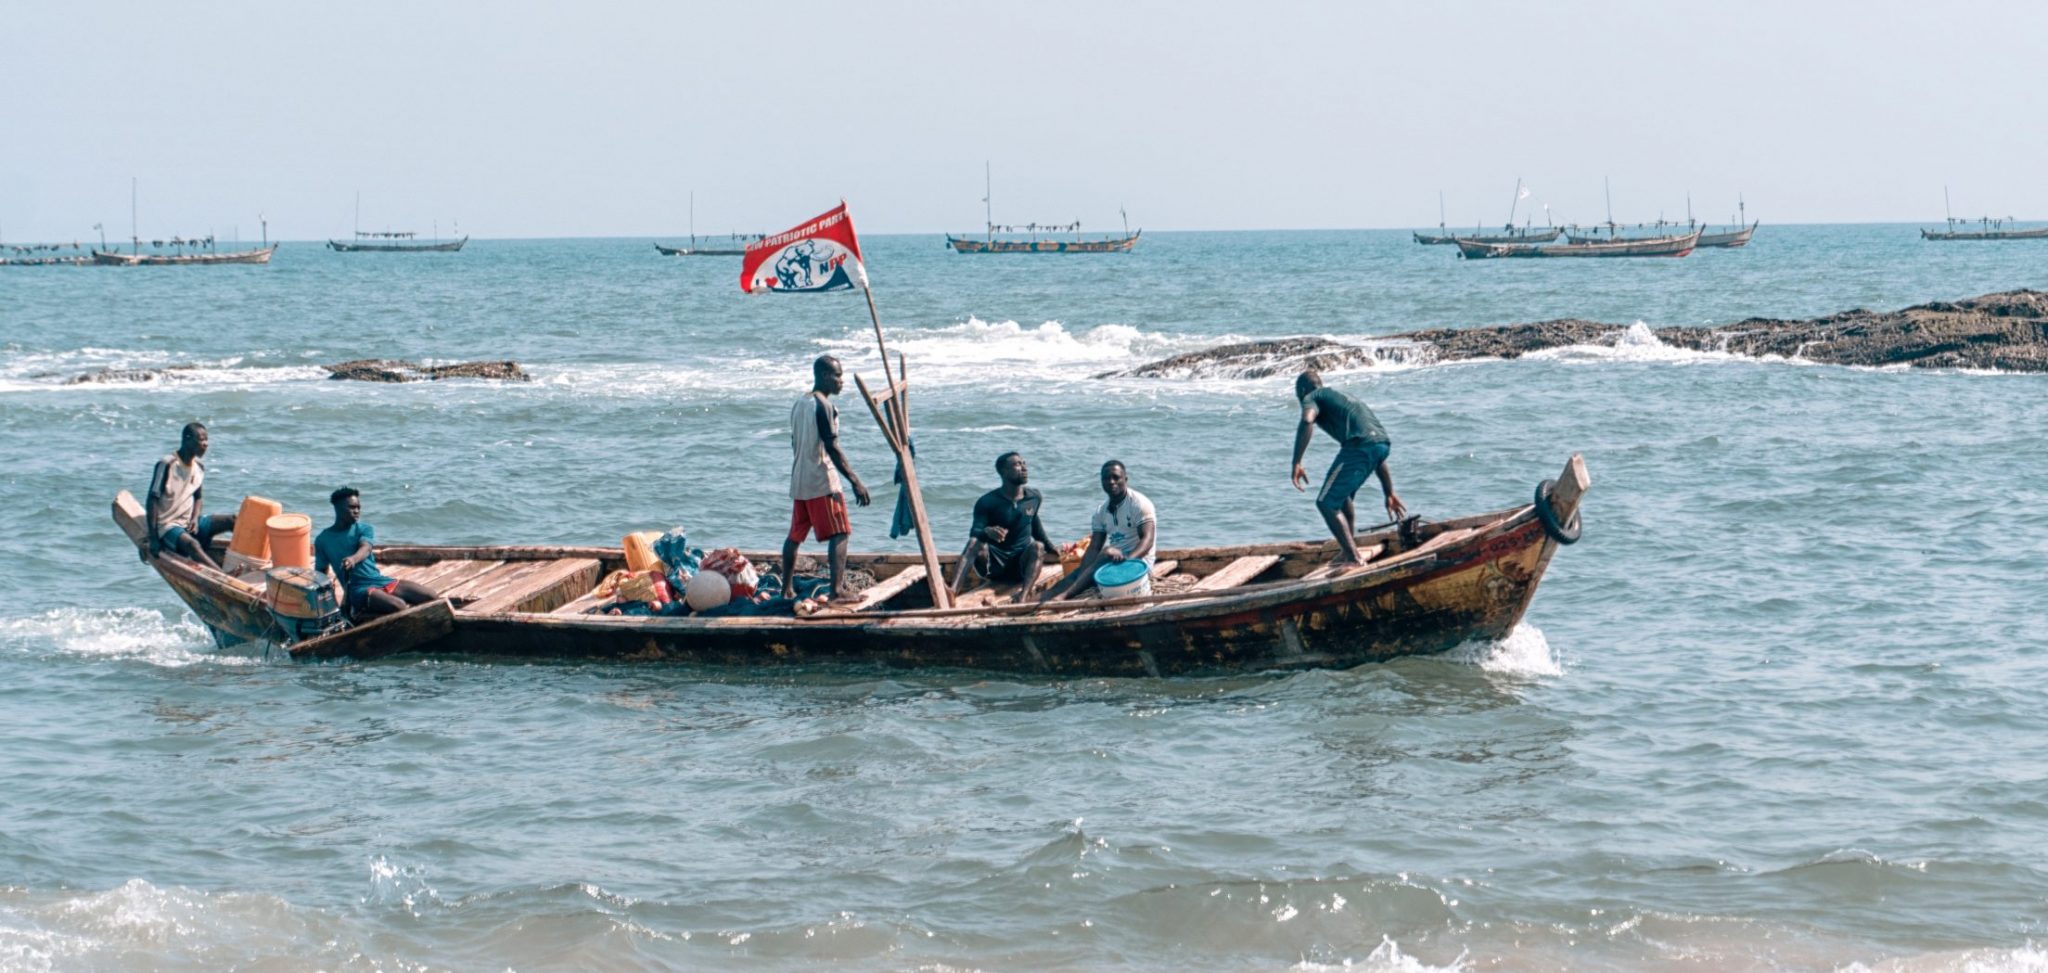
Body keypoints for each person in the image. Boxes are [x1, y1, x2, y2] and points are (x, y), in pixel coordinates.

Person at [1289, 369, 1406, 565]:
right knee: (1342, 498)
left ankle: (1353, 559)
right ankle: (1348, 551)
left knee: (1326, 503)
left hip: (1359, 446)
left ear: (1302, 391)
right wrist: (1389, 492)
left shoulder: (1312, 396)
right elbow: (1375, 450)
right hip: (1381, 444)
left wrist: (1297, 462)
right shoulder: (1341, 396)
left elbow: (1307, 420)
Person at [781, 355, 871, 603]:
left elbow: (794, 442)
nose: (841, 381)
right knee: (840, 532)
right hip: (822, 481)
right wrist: (855, 481)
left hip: (800, 480)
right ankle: (837, 591)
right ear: (823, 376)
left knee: (795, 535)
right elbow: (832, 447)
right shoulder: (823, 405)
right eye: (837, 376)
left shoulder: (800, 403)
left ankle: (786, 588)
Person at [1041, 459, 1157, 603]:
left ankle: (1065, 596)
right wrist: (1081, 573)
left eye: (1116, 477)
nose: (1111, 482)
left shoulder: (1139, 504)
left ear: (1125, 479)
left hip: (1137, 565)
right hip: (1113, 562)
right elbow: (1094, 547)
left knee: (1107, 552)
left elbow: (1147, 540)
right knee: (1070, 578)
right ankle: (1029, 603)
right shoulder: (1101, 512)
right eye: (1106, 478)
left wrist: (1128, 561)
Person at [315, 487, 438, 619]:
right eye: (352, 507)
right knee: (399, 606)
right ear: (337, 508)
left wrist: (352, 559)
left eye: (358, 507)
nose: (357, 511)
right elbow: (321, 574)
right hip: (358, 590)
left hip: (380, 581)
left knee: (432, 597)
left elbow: (366, 548)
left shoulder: (364, 528)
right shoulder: (323, 540)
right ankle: (358, 615)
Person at [952, 452, 1057, 603]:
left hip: (1020, 567)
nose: (1024, 468)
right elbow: (975, 533)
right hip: (993, 567)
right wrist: (987, 532)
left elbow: (1035, 526)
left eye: (1024, 463)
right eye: (1017, 464)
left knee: (1038, 546)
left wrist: (1053, 549)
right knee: (974, 543)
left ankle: (1024, 596)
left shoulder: (1034, 497)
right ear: (1003, 472)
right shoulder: (987, 502)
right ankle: (952, 591)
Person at [144, 421, 234, 571]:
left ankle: (243, 561)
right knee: (193, 545)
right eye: (201, 439)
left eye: (206, 440)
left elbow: (198, 498)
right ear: (187, 439)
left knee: (234, 520)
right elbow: (152, 500)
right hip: (168, 527)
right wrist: (154, 539)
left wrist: (194, 519)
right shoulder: (167, 464)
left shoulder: (199, 467)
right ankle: (225, 577)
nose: (205, 444)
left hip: (189, 524)